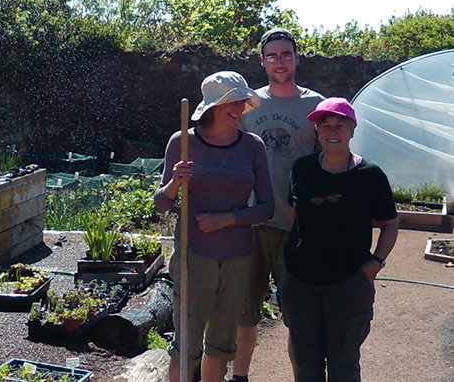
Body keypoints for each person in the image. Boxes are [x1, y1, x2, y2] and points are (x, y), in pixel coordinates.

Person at [154, 70, 274, 382]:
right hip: (194, 256)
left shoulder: (252, 146)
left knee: (221, 344)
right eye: (231, 102)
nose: (239, 107)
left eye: (242, 101)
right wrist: (174, 184)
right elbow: (161, 205)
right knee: (186, 344)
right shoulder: (183, 142)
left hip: (237, 257)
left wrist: (228, 219)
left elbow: (267, 207)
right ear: (211, 107)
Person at [281, 97, 399, 381]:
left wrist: (375, 263)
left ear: (352, 130)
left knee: (343, 364)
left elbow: (390, 224)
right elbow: (294, 216)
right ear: (317, 131)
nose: (332, 132)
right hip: (302, 282)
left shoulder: (370, 175)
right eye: (325, 125)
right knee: (306, 366)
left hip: (348, 282)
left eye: (339, 125)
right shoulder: (302, 169)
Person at [233, 28, 325, 381]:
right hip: (253, 223)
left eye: (286, 54)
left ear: (297, 57)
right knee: (246, 312)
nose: (279, 61)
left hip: (297, 226)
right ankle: (239, 376)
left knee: (298, 316)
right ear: (262, 61)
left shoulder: (315, 105)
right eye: (271, 56)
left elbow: (328, 159)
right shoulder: (248, 104)